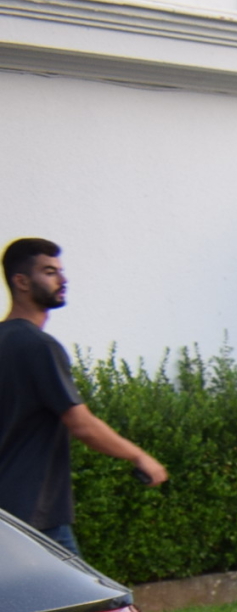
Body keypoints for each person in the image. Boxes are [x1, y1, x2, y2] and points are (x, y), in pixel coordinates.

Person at [0, 238, 167, 556]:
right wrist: (139, 456)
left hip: (6, 515)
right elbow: (81, 423)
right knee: (85, 603)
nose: (62, 280)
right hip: (33, 514)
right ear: (20, 281)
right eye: (50, 272)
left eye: (61, 271)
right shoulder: (38, 346)